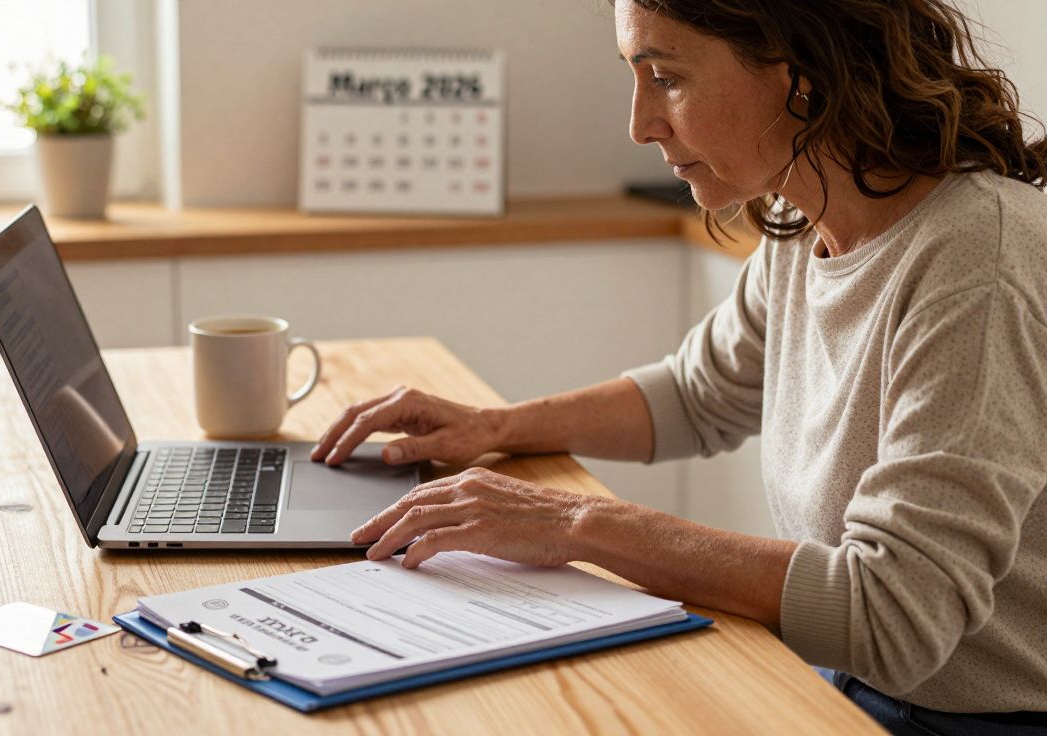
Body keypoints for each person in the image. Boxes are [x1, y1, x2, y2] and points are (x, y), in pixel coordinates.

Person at [309, 1, 1047, 733]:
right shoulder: (809, 222)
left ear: (804, 73)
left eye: (665, 77)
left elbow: (896, 614)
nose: (640, 125)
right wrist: (494, 427)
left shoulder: (978, 261)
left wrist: (576, 522)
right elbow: (699, 394)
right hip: (844, 684)